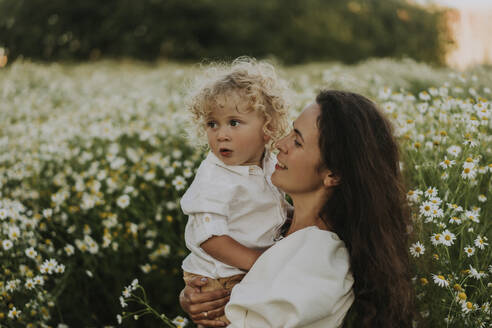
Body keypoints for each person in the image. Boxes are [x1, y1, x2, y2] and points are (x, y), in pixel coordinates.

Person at [180, 90, 415, 328]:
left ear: (333, 174)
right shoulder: (278, 231)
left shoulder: (319, 261)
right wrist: (202, 297)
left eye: (297, 141)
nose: (280, 144)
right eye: (290, 131)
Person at [180, 58, 292, 325]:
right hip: (221, 280)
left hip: (245, 270)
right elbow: (210, 237)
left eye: (234, 122)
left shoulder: (268, 162)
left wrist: (292, 217)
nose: (221, 135)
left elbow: (270, 207)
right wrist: (259, 262)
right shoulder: (214, 176)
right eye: (212, 124)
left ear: (268, 128)